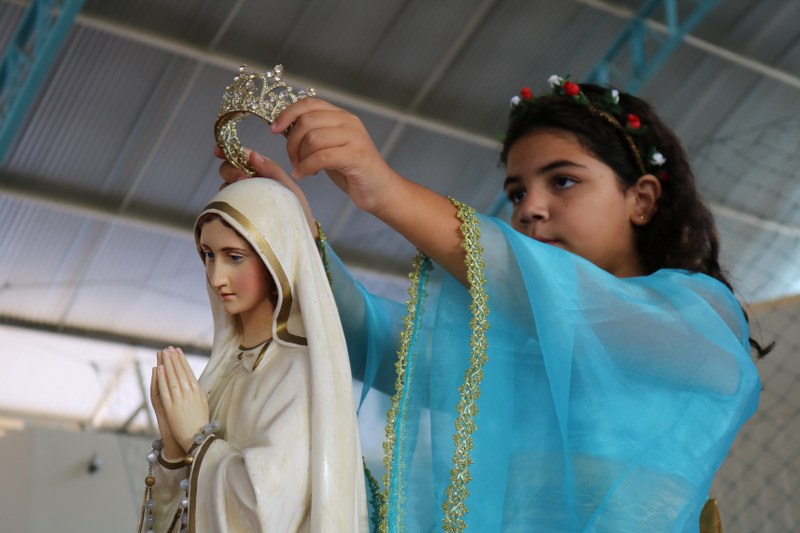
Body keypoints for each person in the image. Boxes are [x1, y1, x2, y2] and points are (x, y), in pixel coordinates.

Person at [218, 77, 768, 532]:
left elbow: (569, 304)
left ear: (642, 199)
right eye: (517, 192)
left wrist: (385, 190)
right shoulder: (514, 348)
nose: (532, 209)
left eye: (564, 181)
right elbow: (377, 342)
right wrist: (295, 239)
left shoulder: (702, 317)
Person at [138, 179, 368, 532]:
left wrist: (196, 438)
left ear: (274, 257)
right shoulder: (222, 370)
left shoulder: (300, 372)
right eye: (208, 255)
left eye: (234, 257)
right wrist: (171, 451)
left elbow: (263, 512)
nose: (216, 277)